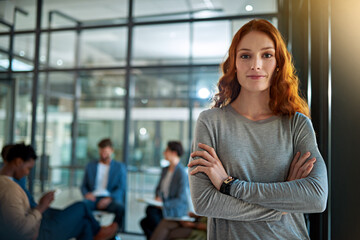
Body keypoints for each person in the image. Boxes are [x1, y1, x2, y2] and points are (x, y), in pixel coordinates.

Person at [187, 19, 328, 240]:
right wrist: (282, 204)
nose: (256, 65)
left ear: (278, 63)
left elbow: (316, 198)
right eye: (245, 56)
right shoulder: (210, 122)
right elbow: (205, 202)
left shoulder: (297, 124)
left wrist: (229, 185)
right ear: (234, 63)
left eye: (266, 55)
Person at [0, 143, 118, 240]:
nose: (27, 173)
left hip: (40, 219)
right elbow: (19, 229)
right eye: (28, 168)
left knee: (85, 224)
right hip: (39, 230)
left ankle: (99, 232)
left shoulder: (11, 183)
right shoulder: (10, 188)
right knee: (82, 206)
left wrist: (42, 206)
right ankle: (99, 231)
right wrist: (41, 206)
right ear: (18, 162)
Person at [140, 141, 189, 240]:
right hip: (161, 206)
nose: (164, 153)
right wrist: (158, 197)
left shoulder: (181, 173)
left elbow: (181, 199)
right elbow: (158, 188)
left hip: (173, 208)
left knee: (150, 214)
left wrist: (164, 204)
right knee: (145, 221)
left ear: (174, 153)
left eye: (166, 150)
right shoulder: (165, 169)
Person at [81, 138, 127, 231]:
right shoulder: (91, 166)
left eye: (106, 152)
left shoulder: (119, 167)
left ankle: (113, 232)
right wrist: (87, 194)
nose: (103, 155)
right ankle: (94, 230)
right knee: (81, 206)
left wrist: (109, 198)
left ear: (112, 151)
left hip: (110, 198)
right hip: (93, 197)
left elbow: (121, 187)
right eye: (101, 152)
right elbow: (83, 185)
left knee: (120, 208)